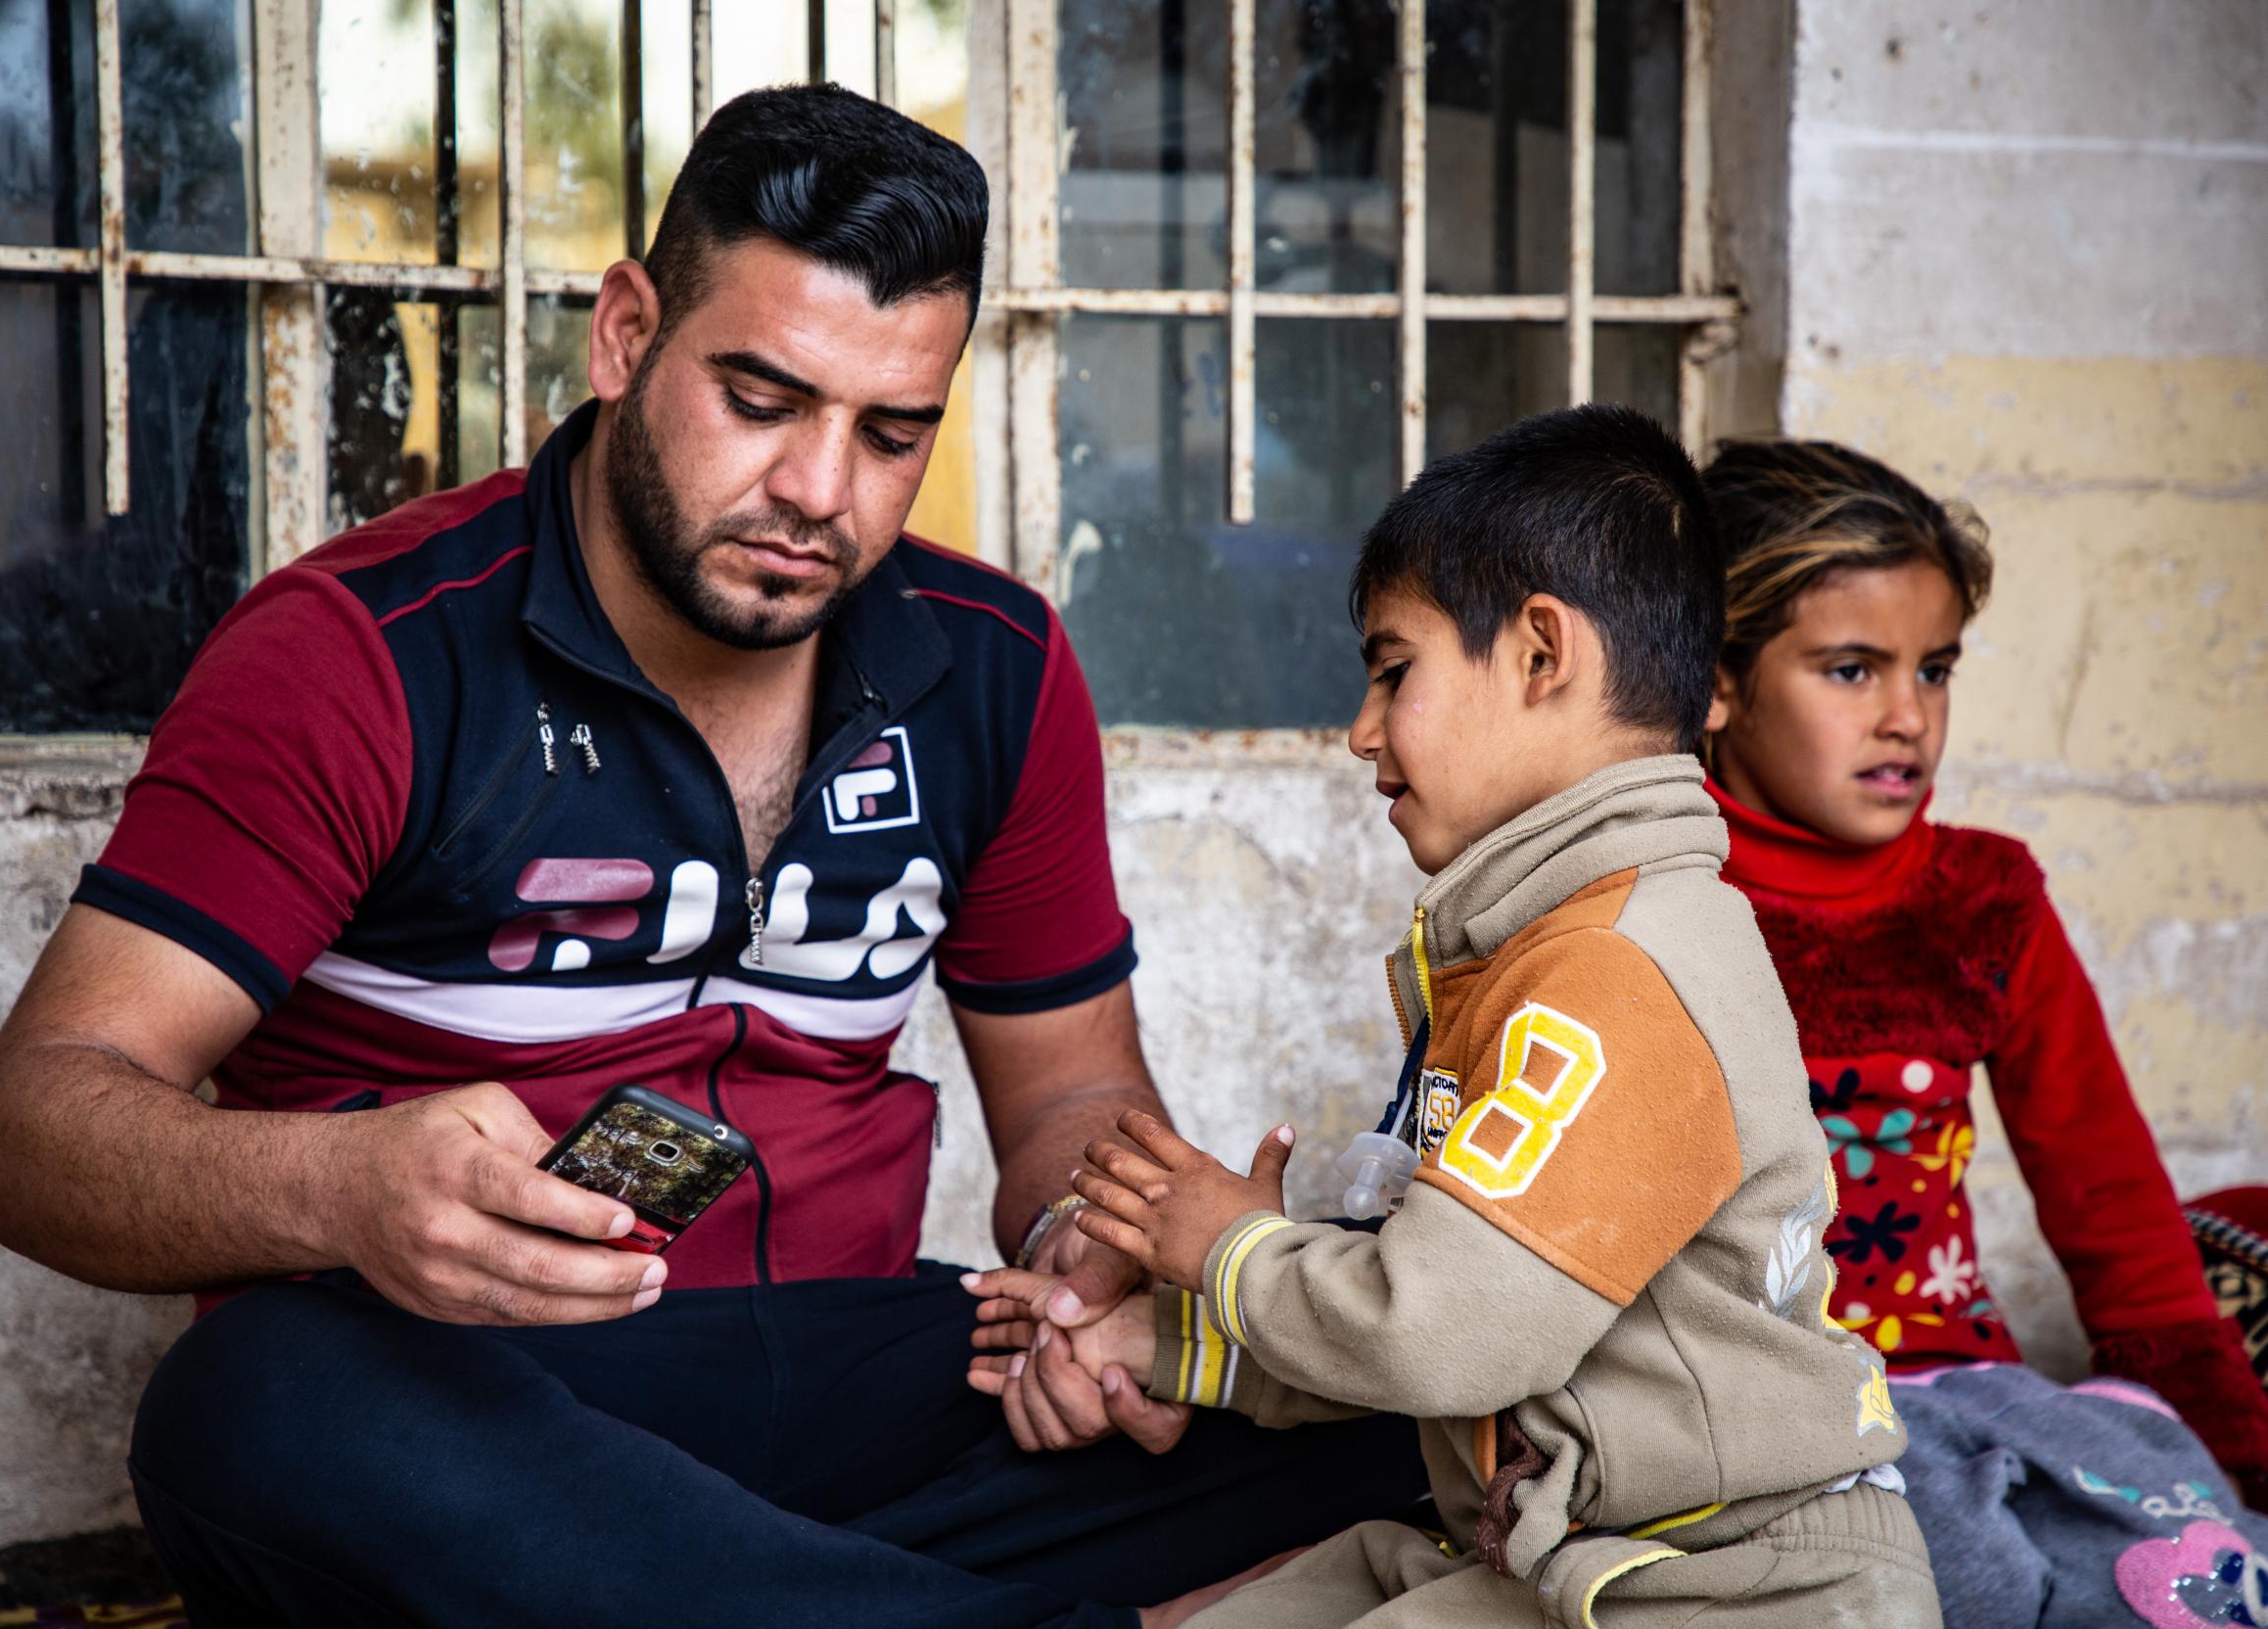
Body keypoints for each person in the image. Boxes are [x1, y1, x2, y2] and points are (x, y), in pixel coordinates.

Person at [0, 84, 1421, 1627]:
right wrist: (340, 1188)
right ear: (628, 331)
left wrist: (1089, 1261)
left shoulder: (993, 668)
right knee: (245, 1409)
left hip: (846, 1378)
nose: (819, 494)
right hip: (473, 1405)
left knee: (1377, 1395)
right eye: (764, 402)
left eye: (892, 433)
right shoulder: (363, 658)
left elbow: (1072, 1100)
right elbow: (22, 1132)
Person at [968, 406, 1941, 1627]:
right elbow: (1446, 1306)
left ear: (1542, 655)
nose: (1362, 731)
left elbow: (1441, 1329)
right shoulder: (1537, 944)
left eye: (1392, 670)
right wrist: (1158, 1337)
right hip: (1562, 1551)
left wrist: (1228, 1245)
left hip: (1732, 1586)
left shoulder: (1615, 969)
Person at [1700, 438, 2268, 1626]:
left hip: (1969, 1390)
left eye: (1936, 667)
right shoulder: (1659, 899)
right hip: (1746, 1420)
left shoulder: (1984, 901)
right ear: (1716, 680)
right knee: (1963, 1588)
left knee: (2202, 1572)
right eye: (1851, 669)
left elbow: (2111, 1205)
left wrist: (2231, 1452)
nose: (1908, 714)